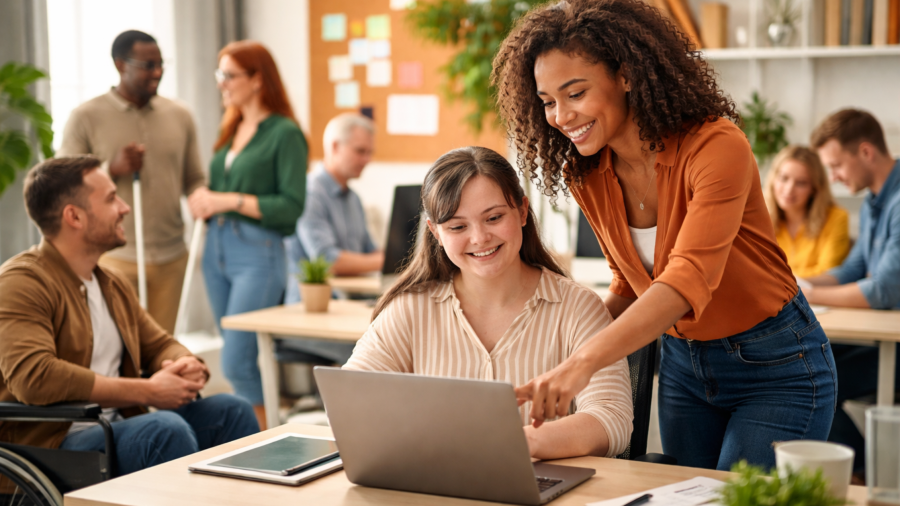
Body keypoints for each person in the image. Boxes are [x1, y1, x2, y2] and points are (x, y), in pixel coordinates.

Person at [492, 0, 835, 470]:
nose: (560, 116)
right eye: (548, 101)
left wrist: (581, 363)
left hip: (775, 364)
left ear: (626, 75)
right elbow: (629, 285)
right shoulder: (587, 174)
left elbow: (685, 281)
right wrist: (555, 344)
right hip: (683, 367)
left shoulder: (716, 146)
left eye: (575, 93)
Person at [344, 147, 634, 460]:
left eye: (494, 218)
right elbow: (349, 402)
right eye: (457, 227)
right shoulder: (410, 309)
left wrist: (519, 443)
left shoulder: (578, 307)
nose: (480, 238)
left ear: (522, 212)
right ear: (435, 233)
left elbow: (611, 419)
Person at [0, 156, 258, 476]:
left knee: (233, 410)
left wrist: (182, 364)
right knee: (164, 431)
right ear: (74, 216)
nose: (124, 207)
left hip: (115, 427)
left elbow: (159, 343)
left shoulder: (110, 283)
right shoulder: (20, 282)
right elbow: (34, 377)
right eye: (111, 198)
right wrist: (147, 391)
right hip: (53, 444)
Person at [188, 41, 307, 429]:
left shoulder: (285, 133)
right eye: (219, 74)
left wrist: (227, 200)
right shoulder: (232, 128)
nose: (221, 83)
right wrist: (205, 200)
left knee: (237, 359)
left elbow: (291, 207)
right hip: (216, 250)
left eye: (229, 75)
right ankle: (258, 435)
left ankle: (258, 440)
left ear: (257, 80)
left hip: (258, 252)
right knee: (235, 355)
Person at [57, 30, 206, 334]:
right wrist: (112, 168)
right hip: (112, 259)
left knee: (163, 351)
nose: (158, 72)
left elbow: (194, 179)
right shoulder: (85, 116)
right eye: (147, 65)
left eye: (161, 63)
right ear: (120, 65)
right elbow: (62, 184)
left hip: (172, 257)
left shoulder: (180, 115)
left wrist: (201, 198)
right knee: (117, 350)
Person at [804, 109, 900, 475]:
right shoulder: (875, 200)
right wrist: (801, 283)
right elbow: (852, 271)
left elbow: (883, 290)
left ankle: (871, 475)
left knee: (813, 382)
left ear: (865, 152)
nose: (834, 177)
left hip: (895, 347)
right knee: (804, 367)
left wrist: (809, 296)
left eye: (836, 165)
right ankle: (862, 471)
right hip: (879, 339)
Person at [281, 113, 382, 366]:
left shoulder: (354, 199)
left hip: (347, 306)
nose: (366, 160)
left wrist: (390, 257)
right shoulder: (310, 194)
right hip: (309, 314)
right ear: (335, 147)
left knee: (399, 335)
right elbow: (328, 260)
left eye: (369, 152)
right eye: (360, 151)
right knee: (379, 350)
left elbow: (372, 252)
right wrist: (383, 260)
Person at [763, 145, 850, 278]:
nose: (789, 189)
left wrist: (775, 278)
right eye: (784, 178)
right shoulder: (760, 220)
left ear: (814, 189)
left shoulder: (836, 218)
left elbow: (827, 274)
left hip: (816, 298)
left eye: (801, 183)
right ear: (773, 179)